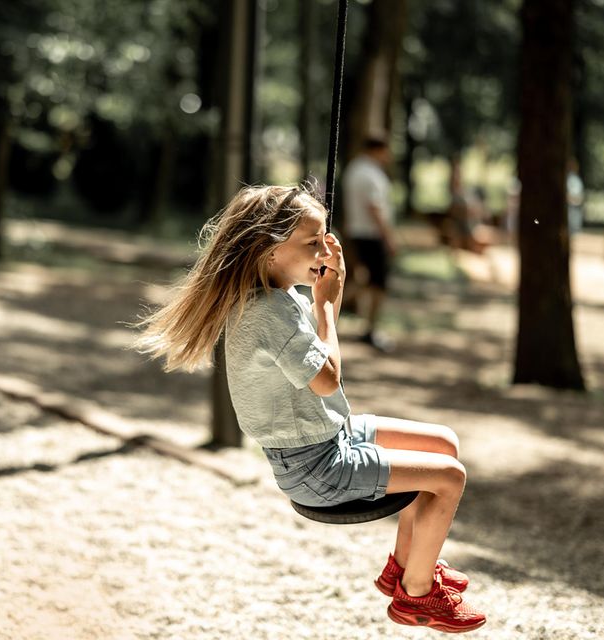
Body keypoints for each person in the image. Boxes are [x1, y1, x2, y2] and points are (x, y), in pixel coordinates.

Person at [137, 184, 486, 633]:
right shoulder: (268, 313)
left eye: (324, 238)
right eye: (311, 242)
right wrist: (324, 307)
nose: (322, 249)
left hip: (330, 436)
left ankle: (402, 569)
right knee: (449, 477)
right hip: (315, 465)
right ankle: (416, 596)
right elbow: (327, 379)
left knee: (444, 444)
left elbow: (324, 336)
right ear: (268, 252)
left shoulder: (281, 298)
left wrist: (328, 296)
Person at [342, 137, 398, 352]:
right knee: (378, 284)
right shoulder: (370, 174)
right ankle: (370, 329)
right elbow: (375, 208)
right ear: (379, 149)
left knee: (363, 280)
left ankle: (323, 315)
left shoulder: (354, 170)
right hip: (372, 235)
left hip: (358, 232)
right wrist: (389, 237)